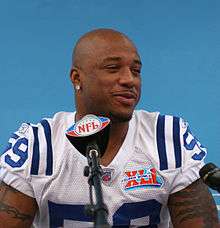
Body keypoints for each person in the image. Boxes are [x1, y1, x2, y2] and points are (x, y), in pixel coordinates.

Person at [0, 28, 219, 228]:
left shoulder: (169, 138)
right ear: (77, 77)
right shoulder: (38, 145)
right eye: (113, 68)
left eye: (136, 70)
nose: (129, 79)